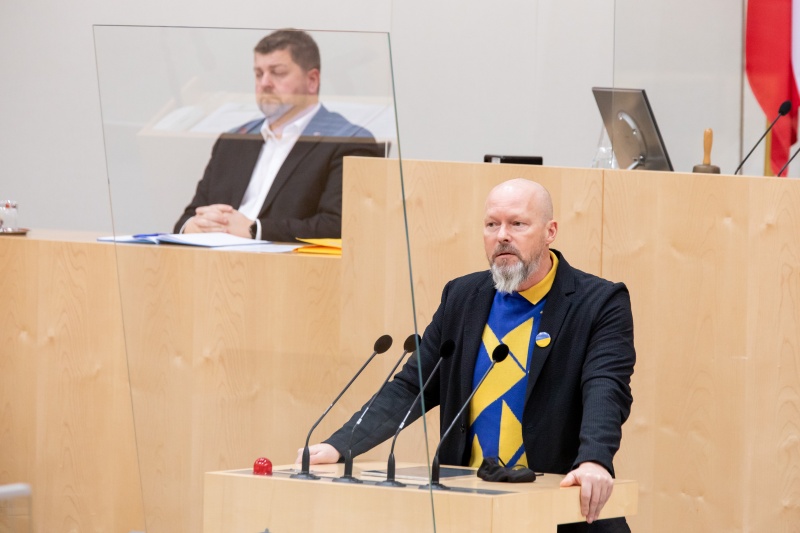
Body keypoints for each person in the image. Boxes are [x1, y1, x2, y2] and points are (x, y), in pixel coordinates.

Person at [302, 179, 636, 532]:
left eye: (517, 224)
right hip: (467, 509)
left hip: (558, 509)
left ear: (550, 231)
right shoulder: (462, 297)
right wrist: (342, 443)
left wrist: (595, 460)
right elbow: (412, 387)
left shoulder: (598, 303)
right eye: (492, 224)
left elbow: (605, 388)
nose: (502, 235)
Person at [174, 29, 383, 242]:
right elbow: (190, 215)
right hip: (216, 264)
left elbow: (340, 226)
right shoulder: (234, 140)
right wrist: (192, 226)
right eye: (258, 73)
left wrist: (254, 230)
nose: (265, 83)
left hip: (292, 269)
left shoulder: (348, 141)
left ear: (312, 80)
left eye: (278, 72)